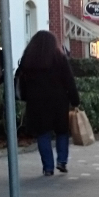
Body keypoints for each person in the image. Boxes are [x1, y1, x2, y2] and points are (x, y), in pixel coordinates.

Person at [15, 30, 80, 176]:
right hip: (59, 101)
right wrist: (75, 100)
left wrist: (25, 96)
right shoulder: (59, 58)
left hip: (36, 102)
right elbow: (69, 81)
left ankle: (48, 167)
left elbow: (20, 80)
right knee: (62, 132)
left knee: (42, 134)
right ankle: (62, 161)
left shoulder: (28, 59)